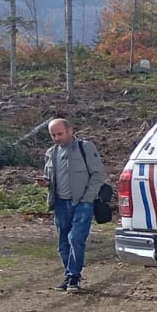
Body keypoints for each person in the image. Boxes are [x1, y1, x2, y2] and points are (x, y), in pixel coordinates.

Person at [41, 117, 107, 293]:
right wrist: (46, 183)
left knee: (75, 239)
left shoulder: (86, 148)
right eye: (53, 135)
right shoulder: (51, 153)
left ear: (70, 130)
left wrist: (87, 199)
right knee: (63, 243)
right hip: (61, 204)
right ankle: (69, 274)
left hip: (82, 203)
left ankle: (74, 277)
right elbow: (49, 177)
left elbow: (98, 175)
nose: (56, 138)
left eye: (60, 134)